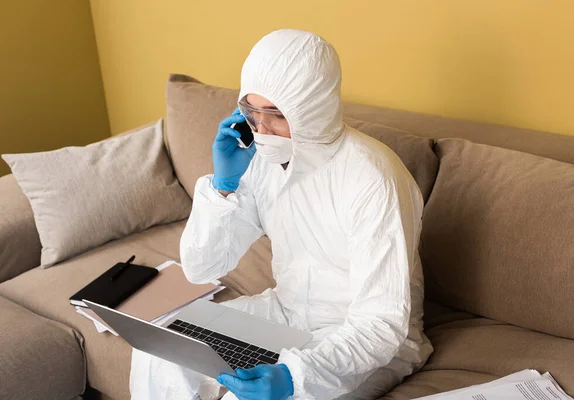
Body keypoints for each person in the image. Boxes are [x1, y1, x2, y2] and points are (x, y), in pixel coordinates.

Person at [130, 29, 433, 400]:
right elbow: (201, 268)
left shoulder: (374, 177)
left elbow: (381, 324)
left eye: (274, 114)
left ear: (313, 110)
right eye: (251, 111)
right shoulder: (261, 159)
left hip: (364, 344)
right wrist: (224, 185)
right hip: (287, 313)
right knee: (162, 347)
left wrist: (296, 376)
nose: (261, 130)